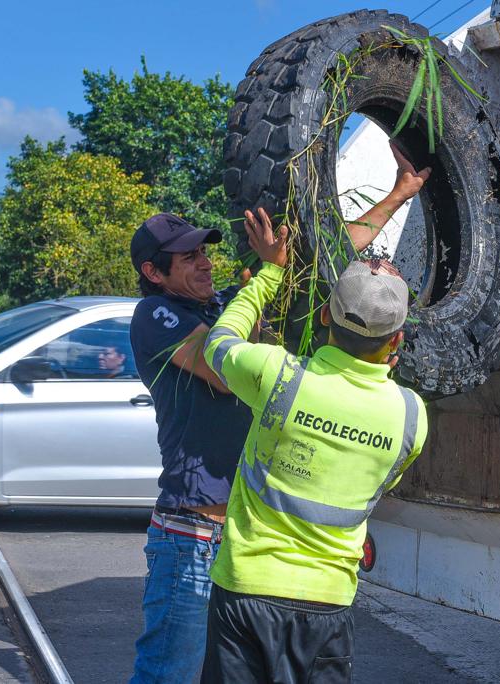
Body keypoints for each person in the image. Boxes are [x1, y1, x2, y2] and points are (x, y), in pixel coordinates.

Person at [128, 141, 429, 684]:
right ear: (153, 271)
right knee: (168, 674)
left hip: (241, 541)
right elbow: (220, 367)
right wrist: (265, 289)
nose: (204, 262)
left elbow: (332, 265)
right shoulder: (156, 315)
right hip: (193, 532)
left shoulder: (225, 304)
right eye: (189, 257)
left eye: (204, 252)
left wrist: (398, 194)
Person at [199, 208, 428, 684]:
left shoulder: (279, 377)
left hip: (246, 591)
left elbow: (218, 342)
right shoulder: (411, 417)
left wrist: (270, 273)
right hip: (328, 605)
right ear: (397, 339)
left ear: (324, 315)